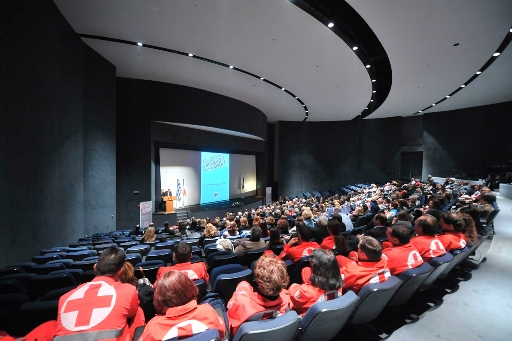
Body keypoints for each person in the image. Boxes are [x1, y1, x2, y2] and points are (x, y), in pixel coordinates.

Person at [53, 246, 142, 340]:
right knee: (138, 310)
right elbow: (131, 313)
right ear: (120, 271)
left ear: (95, 267)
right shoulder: (128, 290)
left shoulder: (64, 298)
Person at [140, 271, 225, 341]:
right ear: (190, 288)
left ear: (159, 297)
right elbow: (222, 333)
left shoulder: (153, 327)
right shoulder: (207, 311)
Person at [227, 255, 290, 336]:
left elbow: (230, 315)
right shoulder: (286, 299)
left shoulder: (242, 303)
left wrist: (243, 286)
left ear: (258, 282)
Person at [289, 249, 344, 316]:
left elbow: (292, 297)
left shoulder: (306, 291)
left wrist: (295, 286)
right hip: (329, 317)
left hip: (306, 319)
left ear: (313, 264)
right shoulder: (339, 284)